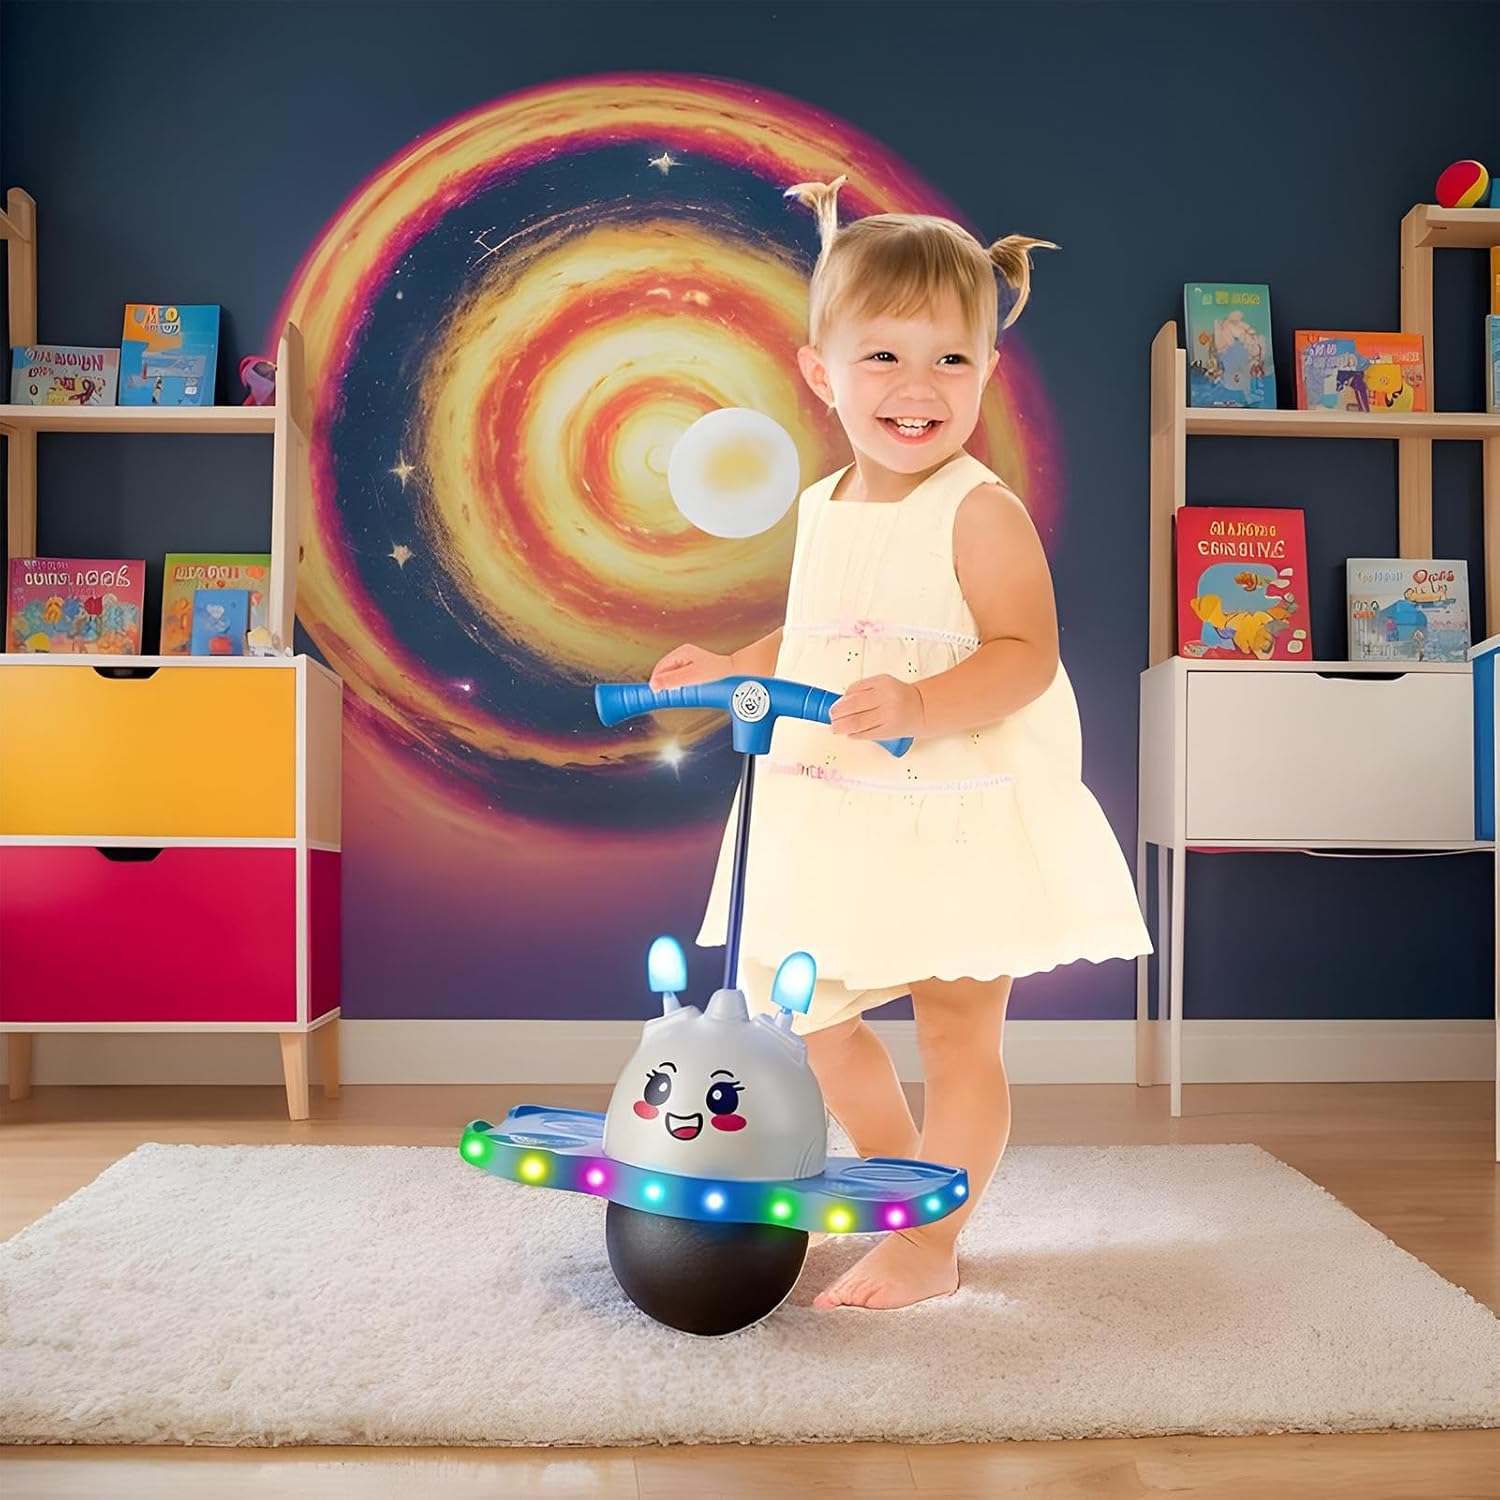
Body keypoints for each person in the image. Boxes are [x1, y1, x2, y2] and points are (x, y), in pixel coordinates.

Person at [649, 176, 1151, 1310]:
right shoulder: (822, 505)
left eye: (950, 360)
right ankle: (896, 1186)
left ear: (987, 371)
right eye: (882, 357)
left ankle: (932, 1243)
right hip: (836, 809)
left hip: (954, 808)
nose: (918, 388)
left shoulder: (979, 509)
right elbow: (816, 635)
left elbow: (1024, 654)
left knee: (958, 1037)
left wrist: (923, 704)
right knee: (817, 1023)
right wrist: (733, 666)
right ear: (820, 372)